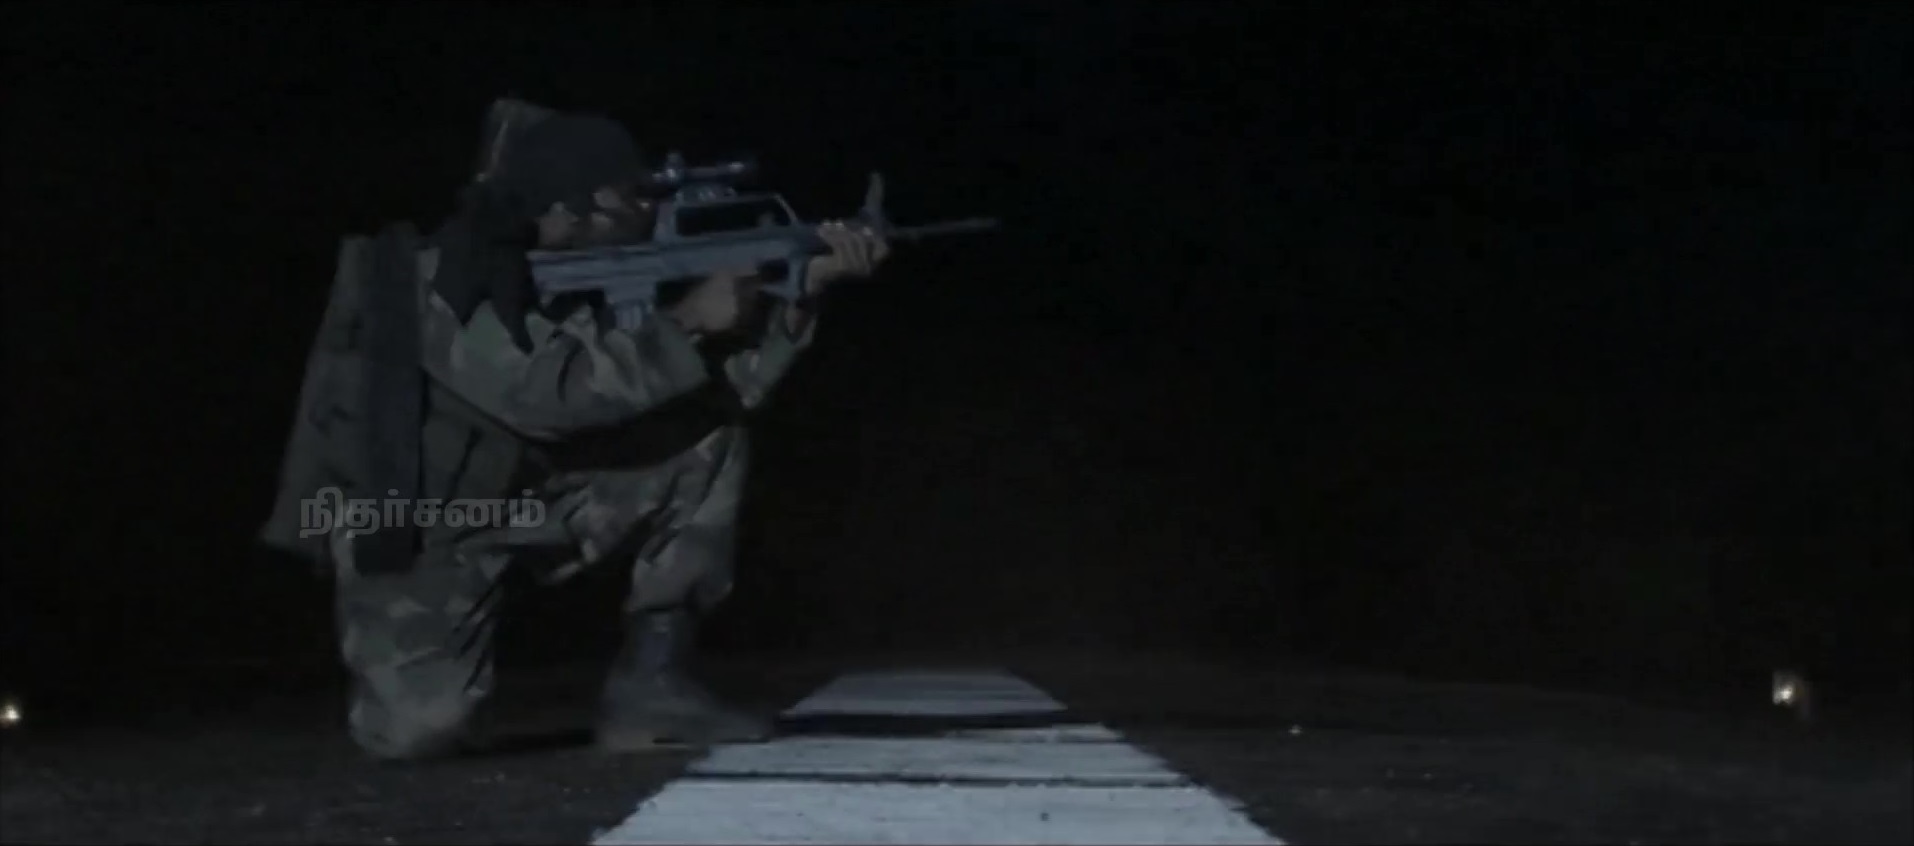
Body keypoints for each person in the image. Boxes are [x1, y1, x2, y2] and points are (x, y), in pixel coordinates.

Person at [261, 106, 887, 760]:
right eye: (629, 200)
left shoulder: (569, 272)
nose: (647, 213)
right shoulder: (443, 282)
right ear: (571, 208)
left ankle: (653, 686)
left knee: (705, 440)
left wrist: (799, 292)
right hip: (420, 524)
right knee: (418, 732)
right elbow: (548, 397)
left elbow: (719, 393)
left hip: (526, 496)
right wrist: (688, 320)